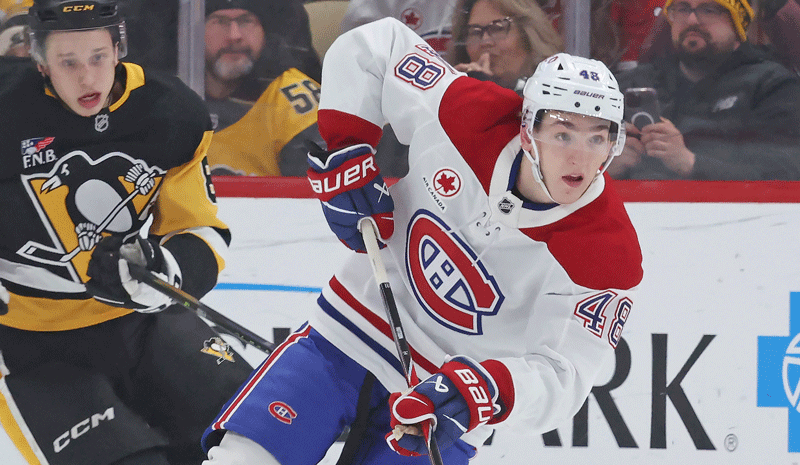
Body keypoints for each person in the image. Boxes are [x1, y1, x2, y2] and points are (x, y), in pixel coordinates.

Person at [202, 18, 643, 465]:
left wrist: (483, 390)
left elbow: (564, 375)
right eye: (563, 133)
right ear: (528, 130)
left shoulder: (609, 252)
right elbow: (376, 46)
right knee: (242, 459)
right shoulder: (469, 114)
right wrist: (348, 147)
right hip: (347, 333)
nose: (579, 157)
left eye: (597, 139)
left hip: (444, 406)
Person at [0, 1, 254, 464]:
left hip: (146, 324)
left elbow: (201, 229)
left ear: (117, 50)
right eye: (68, 62)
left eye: (98, 57)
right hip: (34, 348)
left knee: (253, 439)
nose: (87, 77)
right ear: (40, 64)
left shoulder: (167, 112)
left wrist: (163, 269)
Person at [608, 0, 800, 180]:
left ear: (738, 21)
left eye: (708, 9)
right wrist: (604, 165)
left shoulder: (774, 87)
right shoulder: (627, 85)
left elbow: (787, 168)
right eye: (682, 8)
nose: (691, 20)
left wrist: (692, 163)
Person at [203, 0, 325, 177]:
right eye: (220, 22)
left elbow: (315, 198)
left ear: (266, 32)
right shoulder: (165, 97)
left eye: (246, 21)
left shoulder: (296, 99)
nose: (234, 35)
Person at [448, 0, 563, 92]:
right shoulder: (456, 97)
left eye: (498, 28)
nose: (485, 42)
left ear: (528, 35)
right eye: (475, 32)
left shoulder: (555, 93)